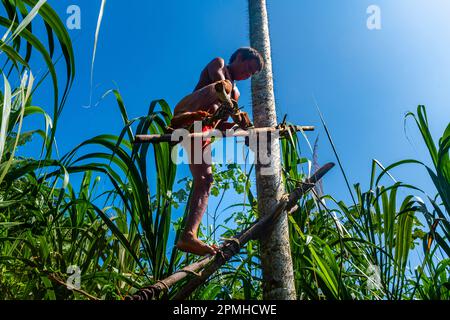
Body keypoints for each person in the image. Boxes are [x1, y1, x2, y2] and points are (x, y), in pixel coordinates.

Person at [171, 47, 264, 256]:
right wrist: (236, 112)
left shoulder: (236, 95)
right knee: (223, 87)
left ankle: (188, 236)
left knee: (205, 180)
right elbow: (220, 90)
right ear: (239, 57)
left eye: (251, 74)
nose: (248, 75)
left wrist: (243, 130)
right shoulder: (219, 64)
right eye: (248, 68)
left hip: (200, 130)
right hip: (187, 115)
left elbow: (220, 124)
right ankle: (182, 120)